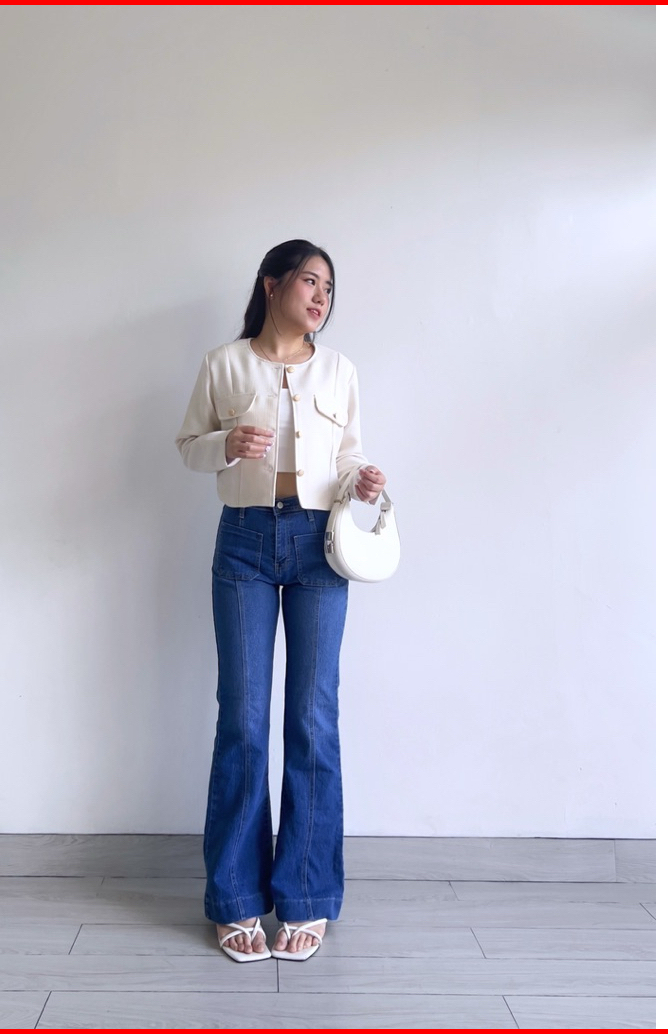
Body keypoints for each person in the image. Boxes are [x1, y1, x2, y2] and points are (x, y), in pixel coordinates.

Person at [175, 240, 387, 962]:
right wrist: (227, 444)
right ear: (271, 285)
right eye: (309, 281)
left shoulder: (340, 370)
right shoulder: (224, 364)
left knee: (312, 717)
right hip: (242, 544)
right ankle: (235, 899)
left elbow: (349, 454)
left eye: (329, 287)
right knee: (243, 720)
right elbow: (188, 444)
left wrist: (363, 479)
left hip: (320, 547)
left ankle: (306, 895)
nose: (321, 296)